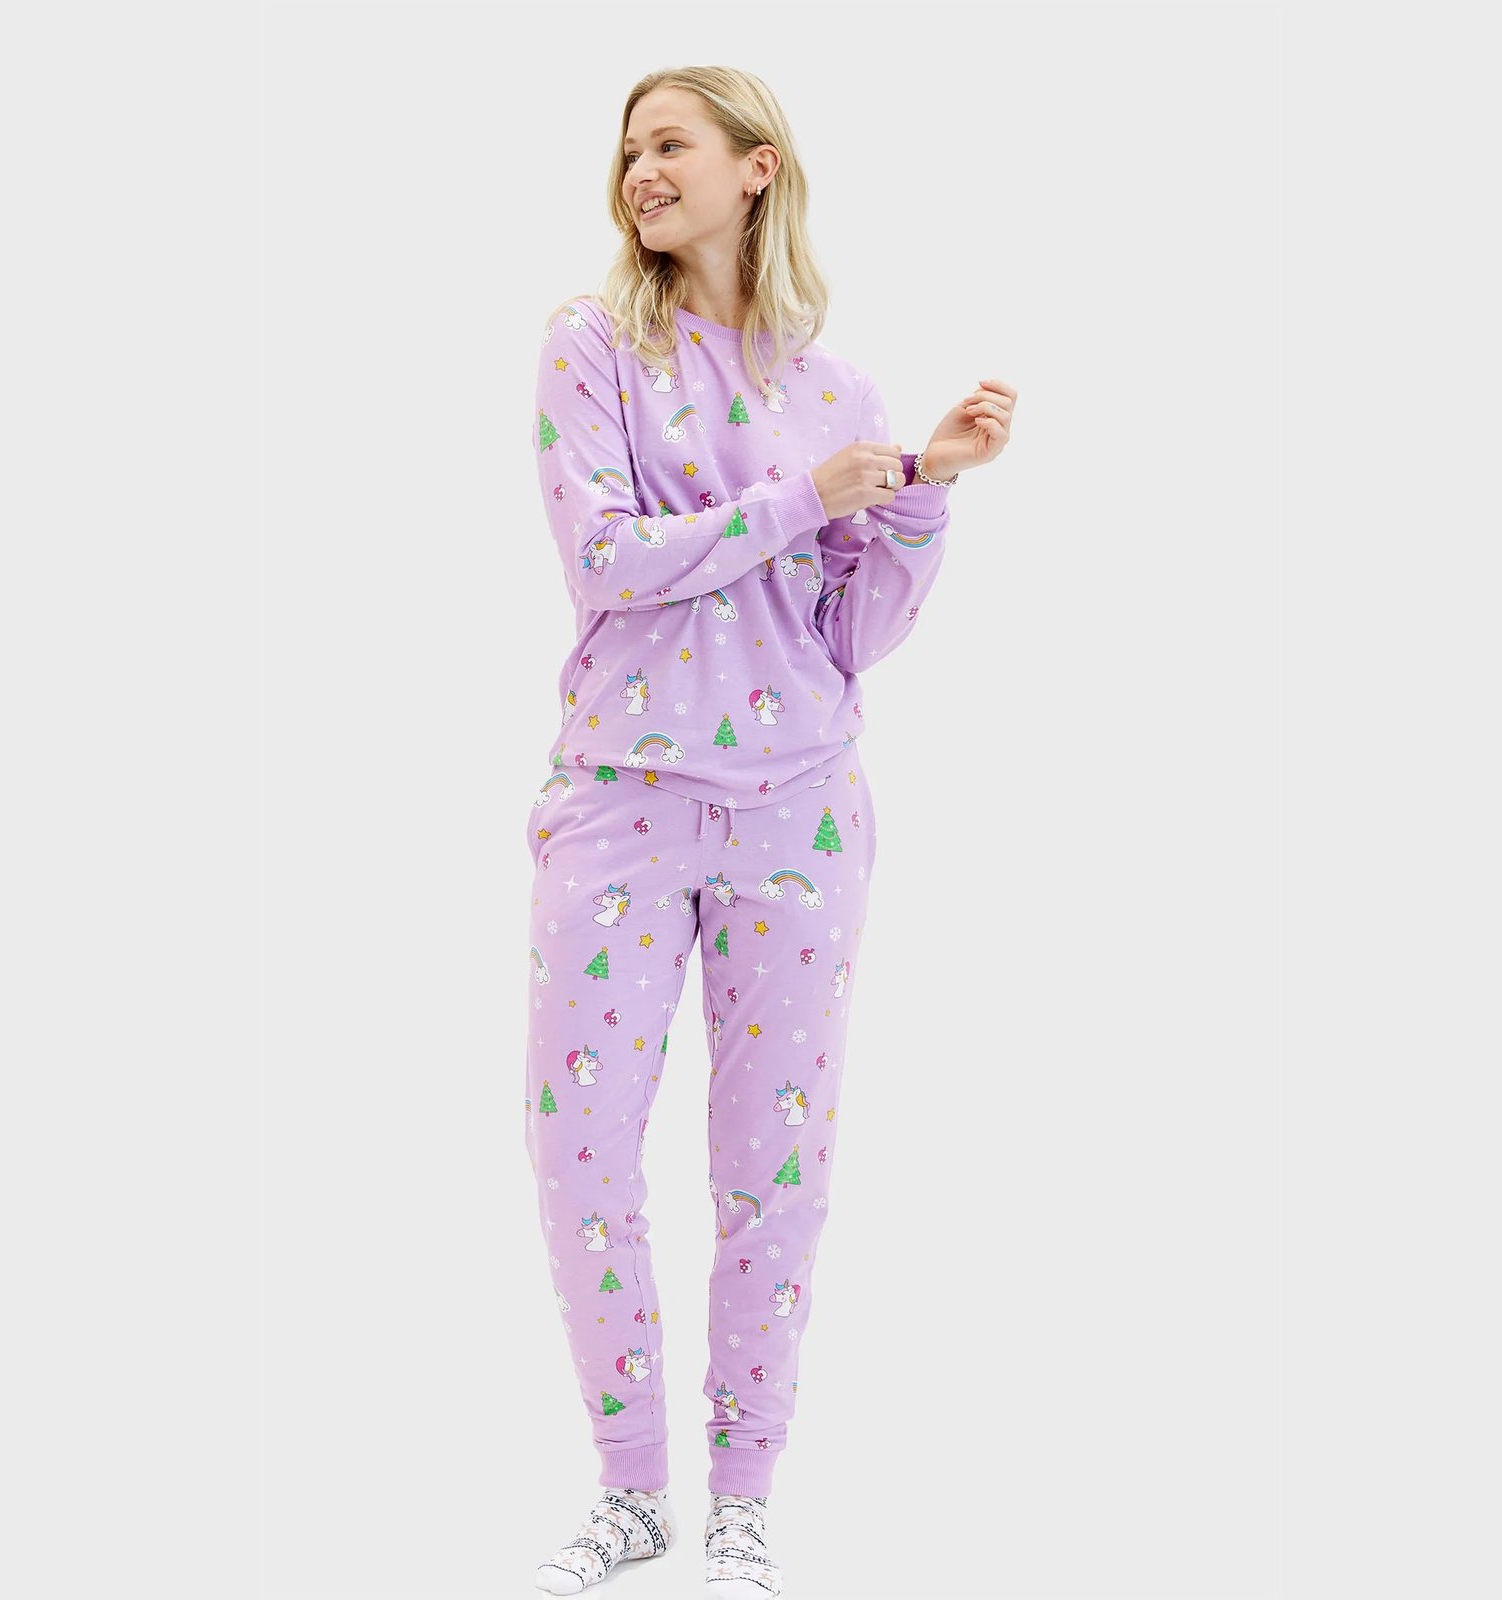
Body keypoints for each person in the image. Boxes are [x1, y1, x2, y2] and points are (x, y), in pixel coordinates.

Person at [524, 65, 1012, 1598]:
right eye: (628, 150)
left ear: (755, 167)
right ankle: (632, 1489)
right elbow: (607, 562)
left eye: (669, 143)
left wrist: (922, 492)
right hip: (621, 801)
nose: (640, 171)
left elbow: (853, 634)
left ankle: (742, 1500)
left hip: (799, 817)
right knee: (578, 1146)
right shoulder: (592, 346)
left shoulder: (838, 388)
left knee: (774, 1170)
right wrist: (807, 498)